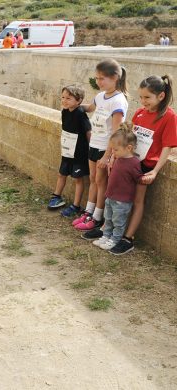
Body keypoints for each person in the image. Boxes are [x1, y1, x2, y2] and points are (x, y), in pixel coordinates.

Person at [110, 75, 177, 255]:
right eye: (141, 97)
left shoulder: (169, 116)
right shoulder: (140, 113)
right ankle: (110, 230)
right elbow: (128, 138)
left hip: (145, 167)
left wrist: (155, 171)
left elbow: (167, 146)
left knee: (138, 201)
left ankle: (128, 238)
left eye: (147, 97)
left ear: (161, 96)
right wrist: (114, 157)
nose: (142, 101)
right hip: (129, 163)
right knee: (118, 197)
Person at [73, 59, 128, 232]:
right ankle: (89, 211)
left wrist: (107, 155)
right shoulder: (100, 96)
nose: (98, 82)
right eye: (97, 78)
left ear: (115, 78)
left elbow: (116, 131)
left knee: (100, 181)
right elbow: (90, 108)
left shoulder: (118, 101)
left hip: (105, 148)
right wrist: (74, 105)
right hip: (94, 144)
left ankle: (97, 216)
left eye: (102, 78)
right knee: (93, 179)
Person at [92, 125, 142, 250]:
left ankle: (115, 239)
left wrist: (144, 178)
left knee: (118, 221)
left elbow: (138, 178)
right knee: (108, 218)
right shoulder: (118, 159)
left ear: (129, 148)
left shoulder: (134, 162)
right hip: (111, 196)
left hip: (122, 200)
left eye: (116, 150)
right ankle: (106, 235)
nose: (113, 152)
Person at [47, 86, 91, 217]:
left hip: (79, 153)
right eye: (63, 98)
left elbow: (88, 132)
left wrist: (90, 150)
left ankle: (76, 206)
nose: (64, 101)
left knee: (78, 178)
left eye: (69, 98)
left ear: (79, 101)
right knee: (62, 174)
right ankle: (56, 196)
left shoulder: (81, 114)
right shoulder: (64, 112)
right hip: (67, 151)